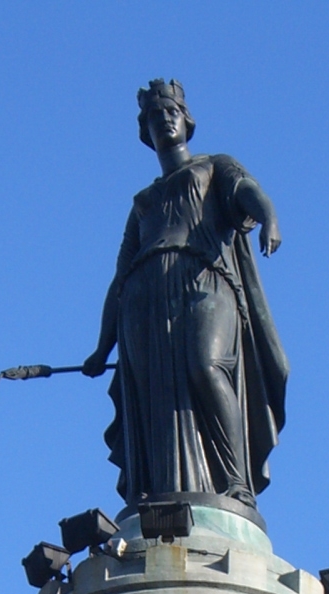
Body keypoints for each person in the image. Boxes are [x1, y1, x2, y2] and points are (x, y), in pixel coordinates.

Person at [83, 79, 289, 508]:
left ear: (186, 119)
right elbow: (119, 279)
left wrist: (268, 215)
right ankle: (156, 490)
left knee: (206, 366)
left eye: (170, 113)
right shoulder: (142, 202)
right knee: (151, 392)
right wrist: (102, 348)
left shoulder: (214, 166)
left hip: (204, 283)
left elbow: (247, 191)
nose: (163, 122)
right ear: (146, 132)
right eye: (154, 118)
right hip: (144, 299)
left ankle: (237, 483)